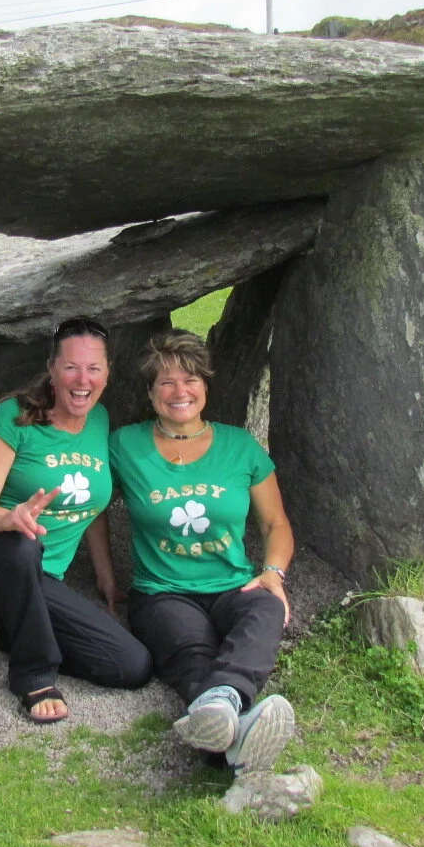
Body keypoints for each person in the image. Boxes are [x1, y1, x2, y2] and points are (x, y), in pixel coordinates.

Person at [0, 317, 153, 723]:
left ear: (107, 373)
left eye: (94, 368)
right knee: (22, 546)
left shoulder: (99, 419)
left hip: (38, 581)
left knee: (131, 666)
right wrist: (6, 519)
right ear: (51, 368)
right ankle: (34, 674)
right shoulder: (13, 416)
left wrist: (106, 577)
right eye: (71, 366)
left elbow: (93, 504)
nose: (81, 379)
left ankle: (5, 636)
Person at [109, 329, 296, 772]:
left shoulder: (240, 446)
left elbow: (276, 523)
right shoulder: (124, 445)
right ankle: (238, 735)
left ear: (205, 387)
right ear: (151, 393)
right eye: (166, 383)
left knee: (266, 609)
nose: (180, 392)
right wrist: (103, 571)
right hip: (163, 591)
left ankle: (222, 706)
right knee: (191, 652)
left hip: (234, 583)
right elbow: (93, 505)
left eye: (190, 380)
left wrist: (273, 572)